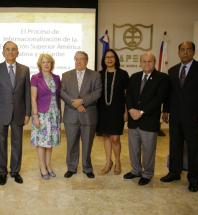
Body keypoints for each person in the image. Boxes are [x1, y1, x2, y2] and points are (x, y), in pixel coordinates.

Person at [160, 41, 198, 192]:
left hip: (195, 118)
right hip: (176, 117)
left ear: (193, 52)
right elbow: (169, 94)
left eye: (188, 50)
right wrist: (165, 110)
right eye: (182, 50)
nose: (185, 52)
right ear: (178, 52)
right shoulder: (172, 70)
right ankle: (174, 172)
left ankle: (194, 179)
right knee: (175, 146)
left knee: (195, 149)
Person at [123, 52, 168, 186]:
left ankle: (147, 173)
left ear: (154, 63)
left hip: (149, 120)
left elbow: (158, 98)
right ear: (140, 63)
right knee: (133, 148)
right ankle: (136, 170)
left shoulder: (162, 78)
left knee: (148, 150)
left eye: (150, 61)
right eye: (144, 61)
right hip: (133, 120)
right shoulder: (134, 77)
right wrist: (131, 109)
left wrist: (141, 112)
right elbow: (129, 95)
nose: (147, 64)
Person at [0, 41, 31, 185]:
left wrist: (28, 113)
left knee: (17, 143)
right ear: (3, 52)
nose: (10, 52)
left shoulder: (25, 70)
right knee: (1, 143)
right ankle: (2, 172)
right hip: (0, 114)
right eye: (8, 49)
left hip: (19, 113)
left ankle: (15, 171)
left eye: (13, 50)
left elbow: (27, 93)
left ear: (17, 52)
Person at [61, 51, 102, 179]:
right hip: (71, 115)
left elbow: (98, 92)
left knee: (87, 143)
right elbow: (62, 92)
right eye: (76, 59)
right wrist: (75, 104)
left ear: (87, 60)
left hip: (88, 115)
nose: (79, 62)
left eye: (82, 59)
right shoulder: (66, 75)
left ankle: (87, 167)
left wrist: (83, 101)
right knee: (72, 143)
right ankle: (71, 168)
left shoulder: (95, 75)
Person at [96, 49, 129, 175]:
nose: (109, 59)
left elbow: (128, 95)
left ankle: (118, 161)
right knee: (106, 136)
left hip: (117, 110)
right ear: (103, 60)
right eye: (106, 57)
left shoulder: (123, 74)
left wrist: (126, 111)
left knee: (115, 138)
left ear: (115, 59)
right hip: (102, 110)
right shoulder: (99, 74)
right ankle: (108, 162)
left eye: (112, 57)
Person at [31, 54, 61, 180]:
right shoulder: (35, 78)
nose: (46, 64)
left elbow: (58, 96)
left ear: (51, 64)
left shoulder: (56, 77)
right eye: (43, 62)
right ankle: (42, 167)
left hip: (54, 114)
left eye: (48, 62)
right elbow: (33, 97)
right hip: (42, 114)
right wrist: (35, 116)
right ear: (40, 64)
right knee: (41, 143)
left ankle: (49, 166)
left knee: (50, 142)